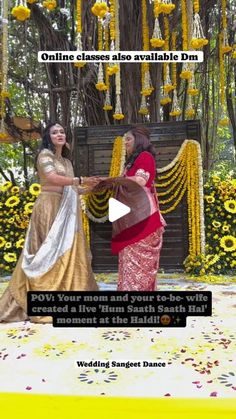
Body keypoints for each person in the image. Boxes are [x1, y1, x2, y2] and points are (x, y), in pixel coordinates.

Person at [0, 122, 99, 323]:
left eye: (62, 131)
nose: (59, 134)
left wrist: (92, 187)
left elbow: (72, 188)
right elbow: (52, 178)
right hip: (49, 208)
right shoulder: (45, 155)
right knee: (45, 252)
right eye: (55, 132)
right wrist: (79, 180)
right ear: (48, 137)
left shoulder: (67, 162)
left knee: (68, 252)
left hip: (65, 209)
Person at [111, 126, 166, 291]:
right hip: (131, 214)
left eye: (128, 139)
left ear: (139, 140)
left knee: (138, 260)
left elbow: (141, 181)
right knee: (129, 257)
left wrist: (117, 180)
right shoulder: (132, 162)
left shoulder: (145, 156)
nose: (125, 143)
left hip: (141, 214)